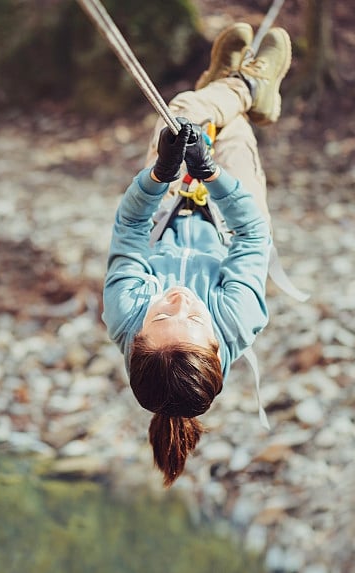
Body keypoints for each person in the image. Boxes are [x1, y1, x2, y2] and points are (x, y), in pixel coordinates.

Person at [101, 23, 293, 486]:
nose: (180, 302)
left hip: (164, 206)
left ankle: (232, 84)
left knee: (184, 113)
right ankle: (246, 87)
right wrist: (212, 174)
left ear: (134, 340)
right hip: (230, 221)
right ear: (215, 341)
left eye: (161, 317)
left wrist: (160, 173)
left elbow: (129, 227)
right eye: (194, 320)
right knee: (231, 125)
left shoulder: (123, 313)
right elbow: (251, 234)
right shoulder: (237, 319)